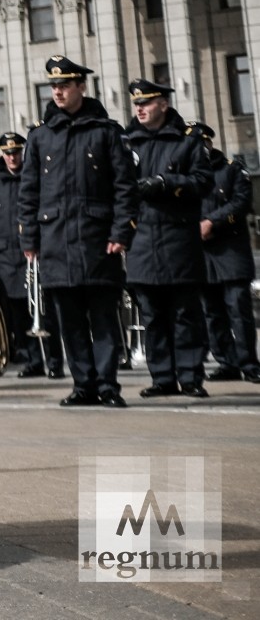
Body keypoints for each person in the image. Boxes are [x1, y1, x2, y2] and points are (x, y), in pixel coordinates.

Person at [18, 56, 138, 409]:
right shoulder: (40, 137)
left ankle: (107, 385)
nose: (58, 91)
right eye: (54, 86)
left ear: (81, 87)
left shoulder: (106, 132)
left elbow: (125, 188)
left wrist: (121, 232)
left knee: (102, 318)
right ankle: (83, 384)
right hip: (55, 241)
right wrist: (29, 240)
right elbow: (29, 192)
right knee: (68, 322)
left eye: (65, 85)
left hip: (98, 241)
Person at [122, 80, 213, 399]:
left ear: (163, 103)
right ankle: (162, 377)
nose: (140, 109)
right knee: (153, 315)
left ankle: (190, 377)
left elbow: (203, 181)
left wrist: (166, 183)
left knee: (185, 314)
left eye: (147, 103)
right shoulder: (126, 142)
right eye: (136, 105)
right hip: (142, 240)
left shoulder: (189, 140)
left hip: (178, 239)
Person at [0, 133, 62, 379]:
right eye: (7, 153)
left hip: (37, 253)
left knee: (45, 311)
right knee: (19, 314)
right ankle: (33, 361)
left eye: (16, 152)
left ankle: (54, 362)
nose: (12, 157)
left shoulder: (34, 177)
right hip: (8, 259)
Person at [189, 122, 260, 383]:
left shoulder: (231, 169)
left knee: (238, 311)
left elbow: (241, 203)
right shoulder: (189, 175)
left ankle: (249, 364)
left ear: (209, 143)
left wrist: (212, 222)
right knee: (212, 312)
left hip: (230, 252)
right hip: (202, 255)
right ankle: (226, 362)